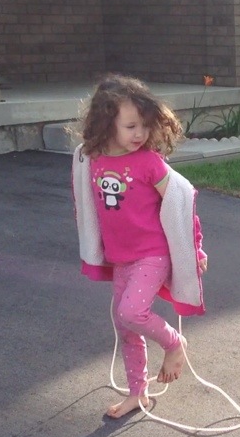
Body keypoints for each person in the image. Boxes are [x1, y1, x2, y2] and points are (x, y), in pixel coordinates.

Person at [72, 74, 208, 418]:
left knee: (132, 312)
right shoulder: (94, 159)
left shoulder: (149, 163)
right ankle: (138, 394)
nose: (140, 134)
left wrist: (195, 250)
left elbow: (181, 202)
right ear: (107, 124)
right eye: (131, 126)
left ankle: (174, 343)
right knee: (125, 325)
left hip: (152, 253)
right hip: (121, 258)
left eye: (145, 126)